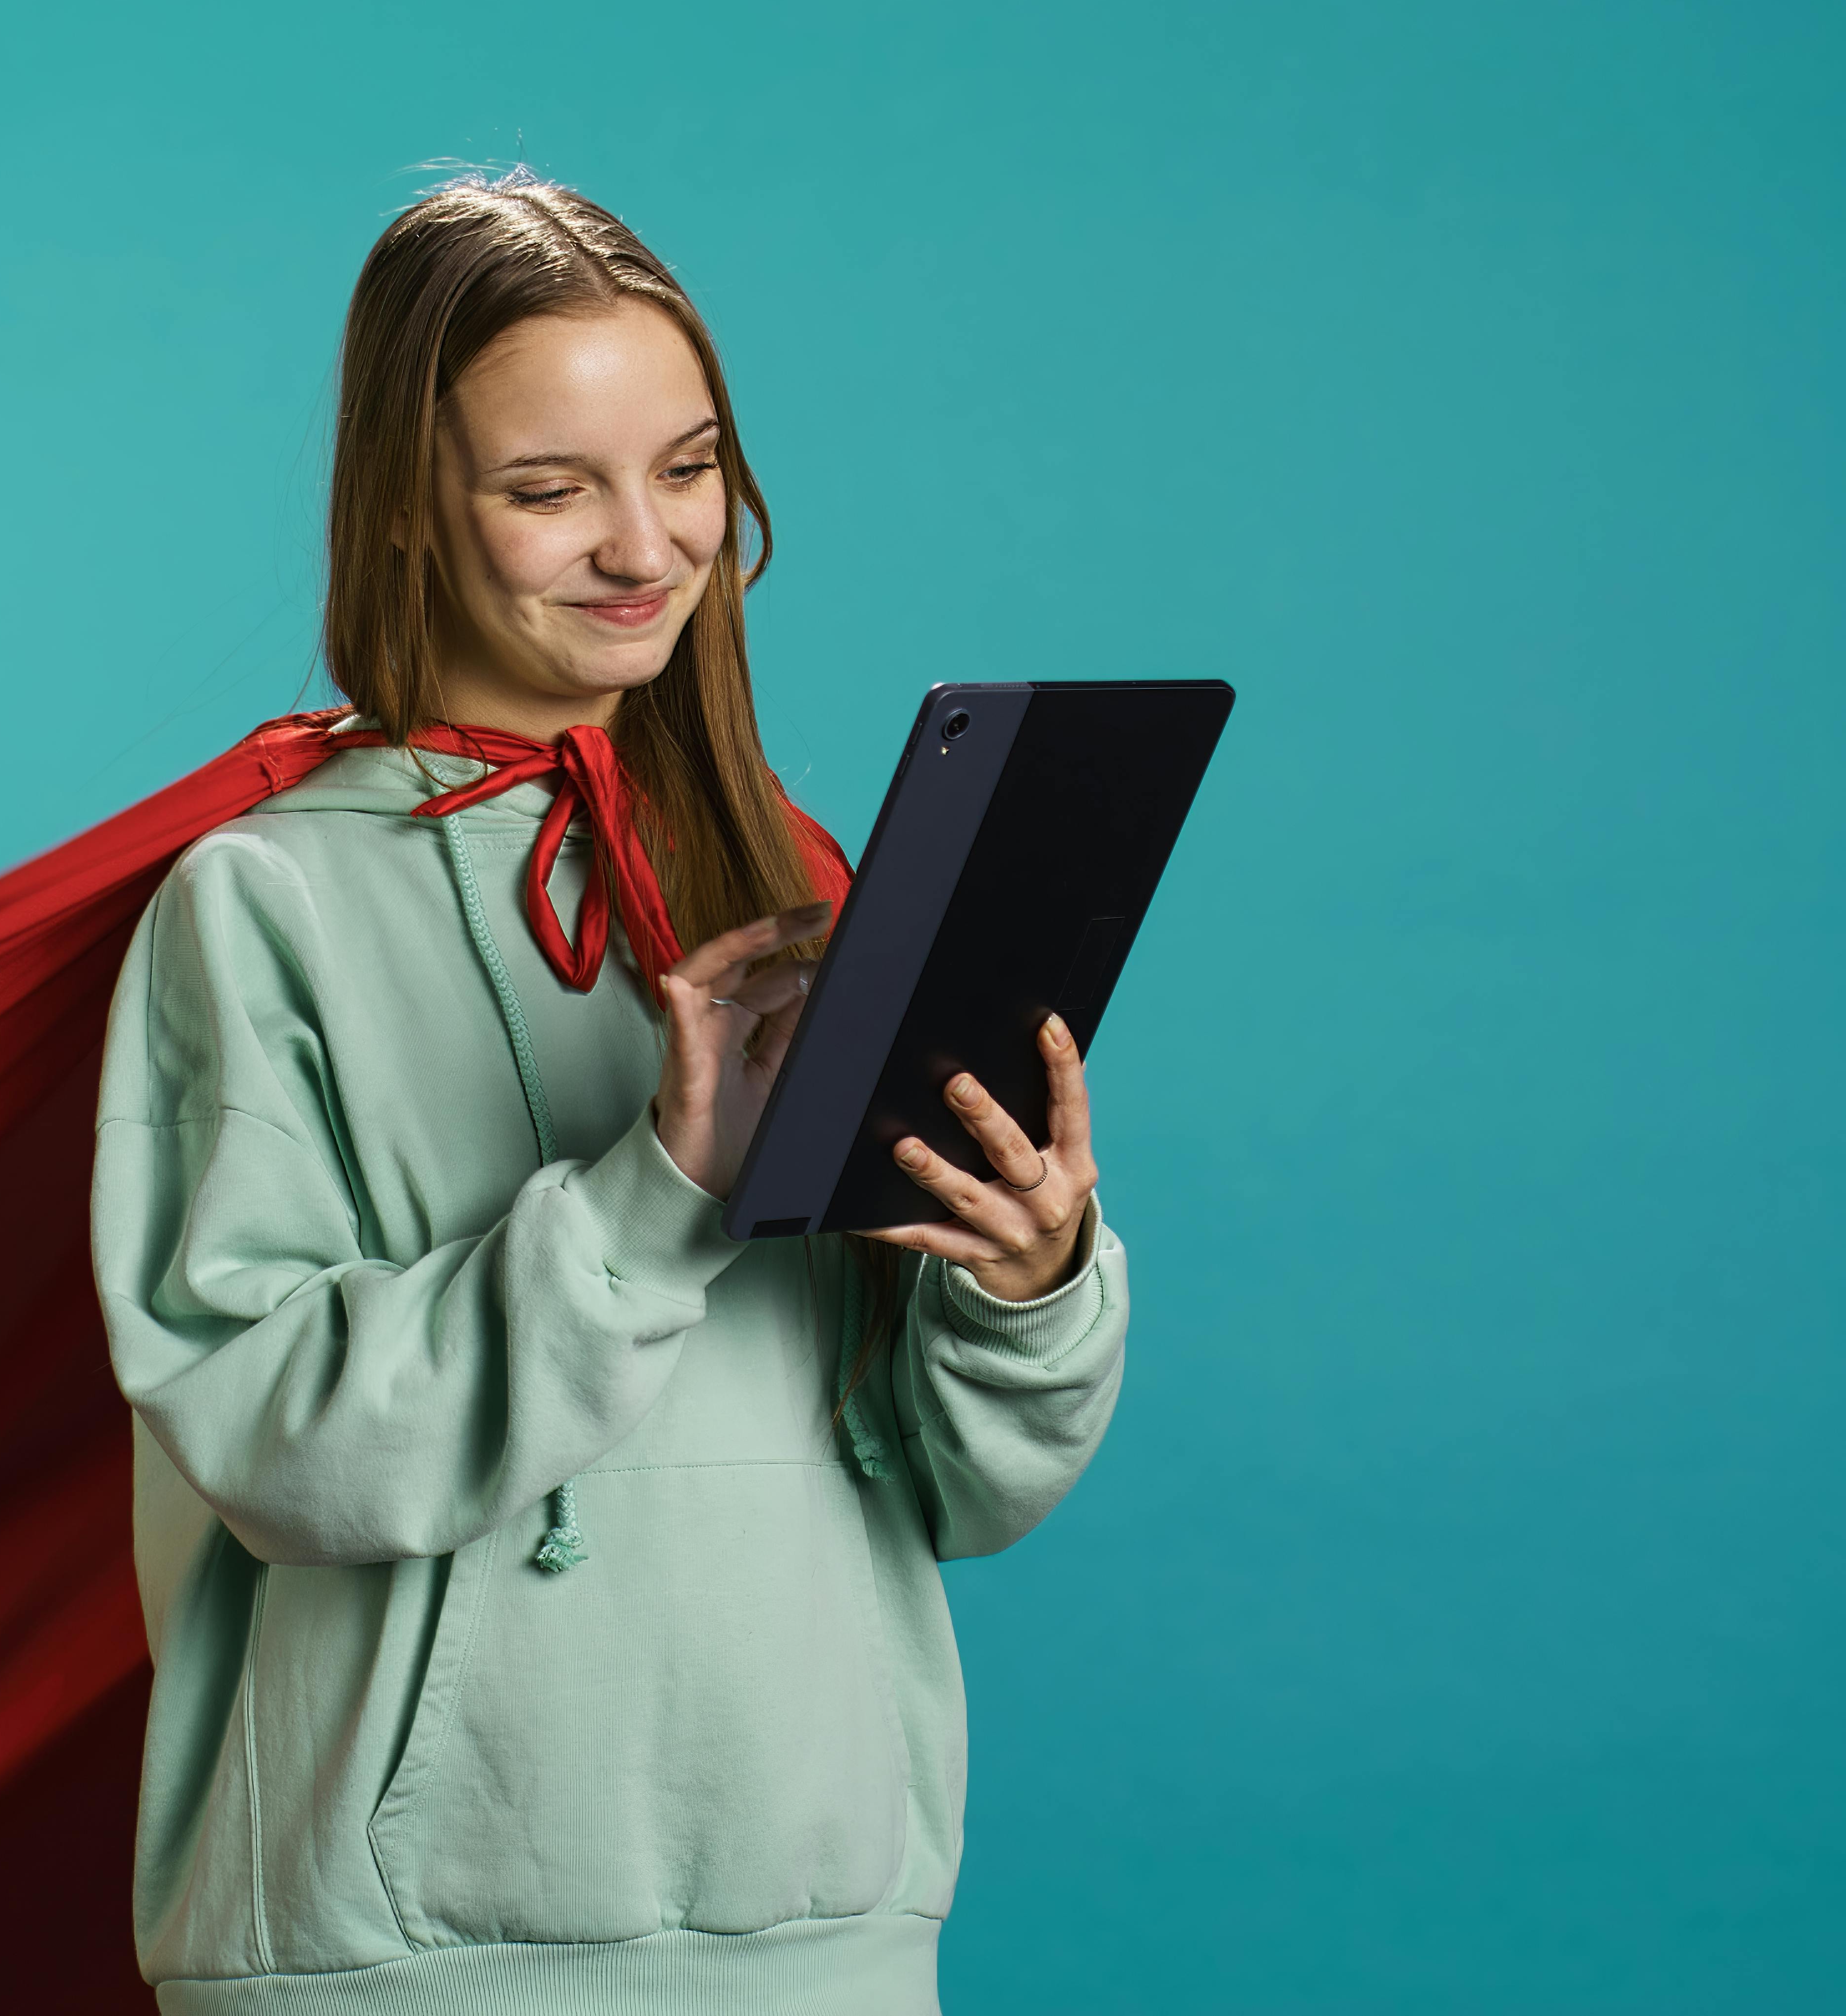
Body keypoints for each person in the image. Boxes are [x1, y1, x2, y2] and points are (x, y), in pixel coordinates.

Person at [90, 170, 1130, 2013]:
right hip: (403, 1943)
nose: (642, 545)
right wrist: (656, 1192)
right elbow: (267, 1443)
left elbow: (958, 1486)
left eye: (687, 467)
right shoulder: (257, 905)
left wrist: (1024, 1280)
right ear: (411, 512)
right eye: (547, 487)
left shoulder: (795, 879)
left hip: (819, 1921)